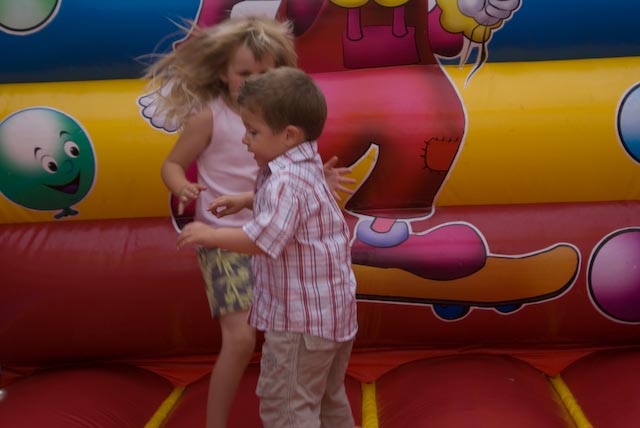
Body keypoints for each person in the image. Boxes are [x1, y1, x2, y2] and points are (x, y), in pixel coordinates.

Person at [143, 16, 354, 428]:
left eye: (264, 74)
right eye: (245, 74)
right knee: (240, 339)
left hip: (273, 241)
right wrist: (181, 187)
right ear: (224, 72)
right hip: (225, 241)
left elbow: (288, 187)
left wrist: (317, 181)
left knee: (291, 348)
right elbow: (173, 164)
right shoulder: (210, 116)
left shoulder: (280, 123)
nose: (252, 82)